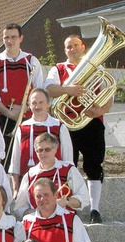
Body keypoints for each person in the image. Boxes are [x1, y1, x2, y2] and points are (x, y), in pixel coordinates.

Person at [45, 34, 112, 224]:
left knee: (94, 165)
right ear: (65, 50)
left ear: (83, 47)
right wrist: (68, 90)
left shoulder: (96, 67)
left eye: (75, 45)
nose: (72, 49)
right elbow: (48, 88)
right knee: (69, 165)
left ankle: (95, 210)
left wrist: (101, 109)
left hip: (92, 122)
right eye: (68, 47)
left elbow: (109, 94)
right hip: (68, 123)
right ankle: (70, 207)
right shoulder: (58, 68)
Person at [0, 23, 43, 152]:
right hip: (3, 118)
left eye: (13, 37)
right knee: (5, 156)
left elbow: (39, 91)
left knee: (28, 154)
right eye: (6, 37)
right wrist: (10, 113)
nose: (10, 41)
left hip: (29, 116)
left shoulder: (31, 61)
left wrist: (25, 108)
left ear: (21, 38)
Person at [7, 88, 73, 192]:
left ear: (48, 104)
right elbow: (15, 162)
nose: (37, 106)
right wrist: (16, 190)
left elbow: (68, 161)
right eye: (34, 103)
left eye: (41, 102)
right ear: (29, 104)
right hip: (29, 185)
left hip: (55, 185)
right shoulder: (22, 128)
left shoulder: (59, 127)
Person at [14, 132, 88, 218]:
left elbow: (84, 198)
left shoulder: (68, 169)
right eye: (40, 150)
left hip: (65, 222)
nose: (43, 153)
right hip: (38, 224)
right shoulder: (30, 175)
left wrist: (66, 201)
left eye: (47, 149)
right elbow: (20, 208)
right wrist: (37, 212)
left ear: (55, 150)